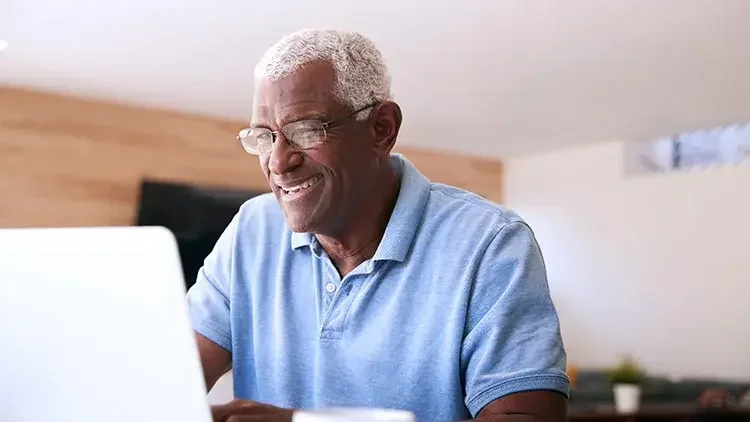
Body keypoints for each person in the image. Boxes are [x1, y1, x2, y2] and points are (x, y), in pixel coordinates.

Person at [186, 28, 569, 422]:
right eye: (264, 137)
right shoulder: (252, 230)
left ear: (381, 128)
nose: (278, 163)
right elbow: (167, 377)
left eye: (306, 130)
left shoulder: (490, 243)